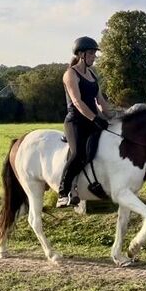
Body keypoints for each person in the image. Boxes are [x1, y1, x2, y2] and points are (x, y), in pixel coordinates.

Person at [57, 36, 113, 208]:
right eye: (91, 53)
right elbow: (77, 102)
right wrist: (95, 118)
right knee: (79, 154)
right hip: (75, 121)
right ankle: (63, 192)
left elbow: (101, 100)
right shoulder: (70, 74)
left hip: (92, 120)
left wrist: (112, 116)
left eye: (95, 53)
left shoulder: (92, 74)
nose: (94, 56)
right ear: (81, 54)